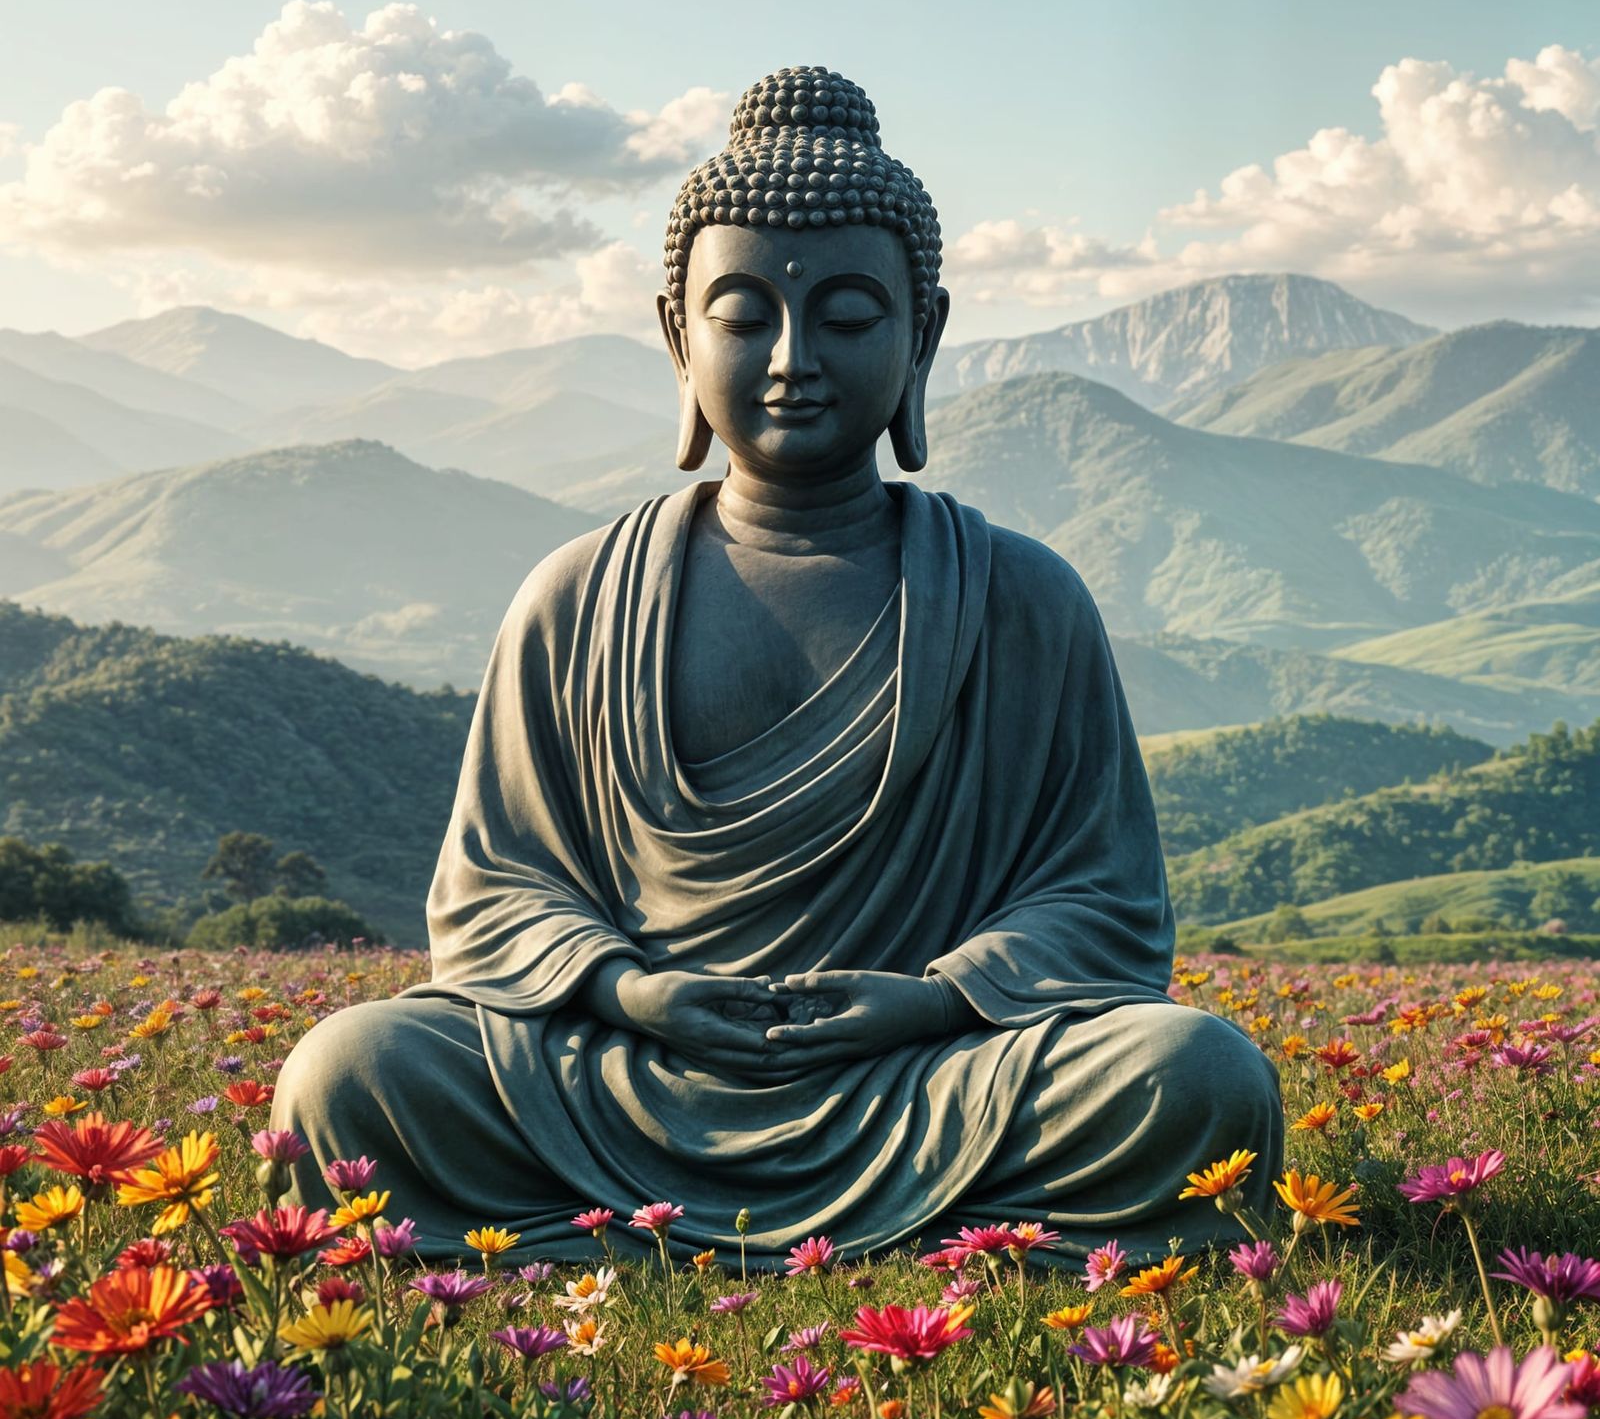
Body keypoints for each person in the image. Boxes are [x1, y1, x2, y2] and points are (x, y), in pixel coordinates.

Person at [270, 67, 1282, 1265]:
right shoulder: (579, 595)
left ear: (924, 334)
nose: (793, 355)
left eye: (849, 315)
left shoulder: (1021, 596)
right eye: (743, 314)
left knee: (1196, 1074)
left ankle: (603, 1242)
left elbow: (1099, 900)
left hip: (925, 1078)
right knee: (351, 1071)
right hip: (630, 1075)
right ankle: (925, 1242)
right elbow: (495, 890)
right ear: (674, 334)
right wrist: (623, 989)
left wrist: (938, 996)